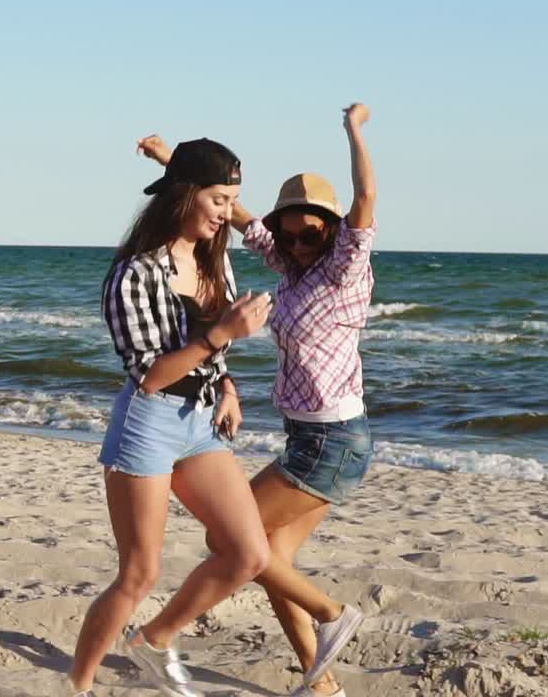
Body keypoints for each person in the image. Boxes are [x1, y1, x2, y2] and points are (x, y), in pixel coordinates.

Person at [137, 103, 376, 697]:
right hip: (310, 436)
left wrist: (353, 130)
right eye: (289, 231)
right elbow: (247, 223)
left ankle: (329, 613)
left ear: (331, 228)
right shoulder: (292, 268)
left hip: (333, 441)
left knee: (232, 542)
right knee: (269, 558)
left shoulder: (345, 268)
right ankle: (321, 685)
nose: (295, 242)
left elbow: (366, 203)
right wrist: (178, 166)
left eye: (309, 232)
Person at [70, 138, 274, 697]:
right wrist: (221, 335)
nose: (226, 211)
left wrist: (228, 383)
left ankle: (153, 641)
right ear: (184, 196)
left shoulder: (216, 259)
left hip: (202, 421)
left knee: (250, 553)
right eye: (217, 198)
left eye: (232, 199)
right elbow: (151, 374)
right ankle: (78, 684)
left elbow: (213, 356)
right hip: (149, 422)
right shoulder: (133, 275)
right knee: (139, 574)